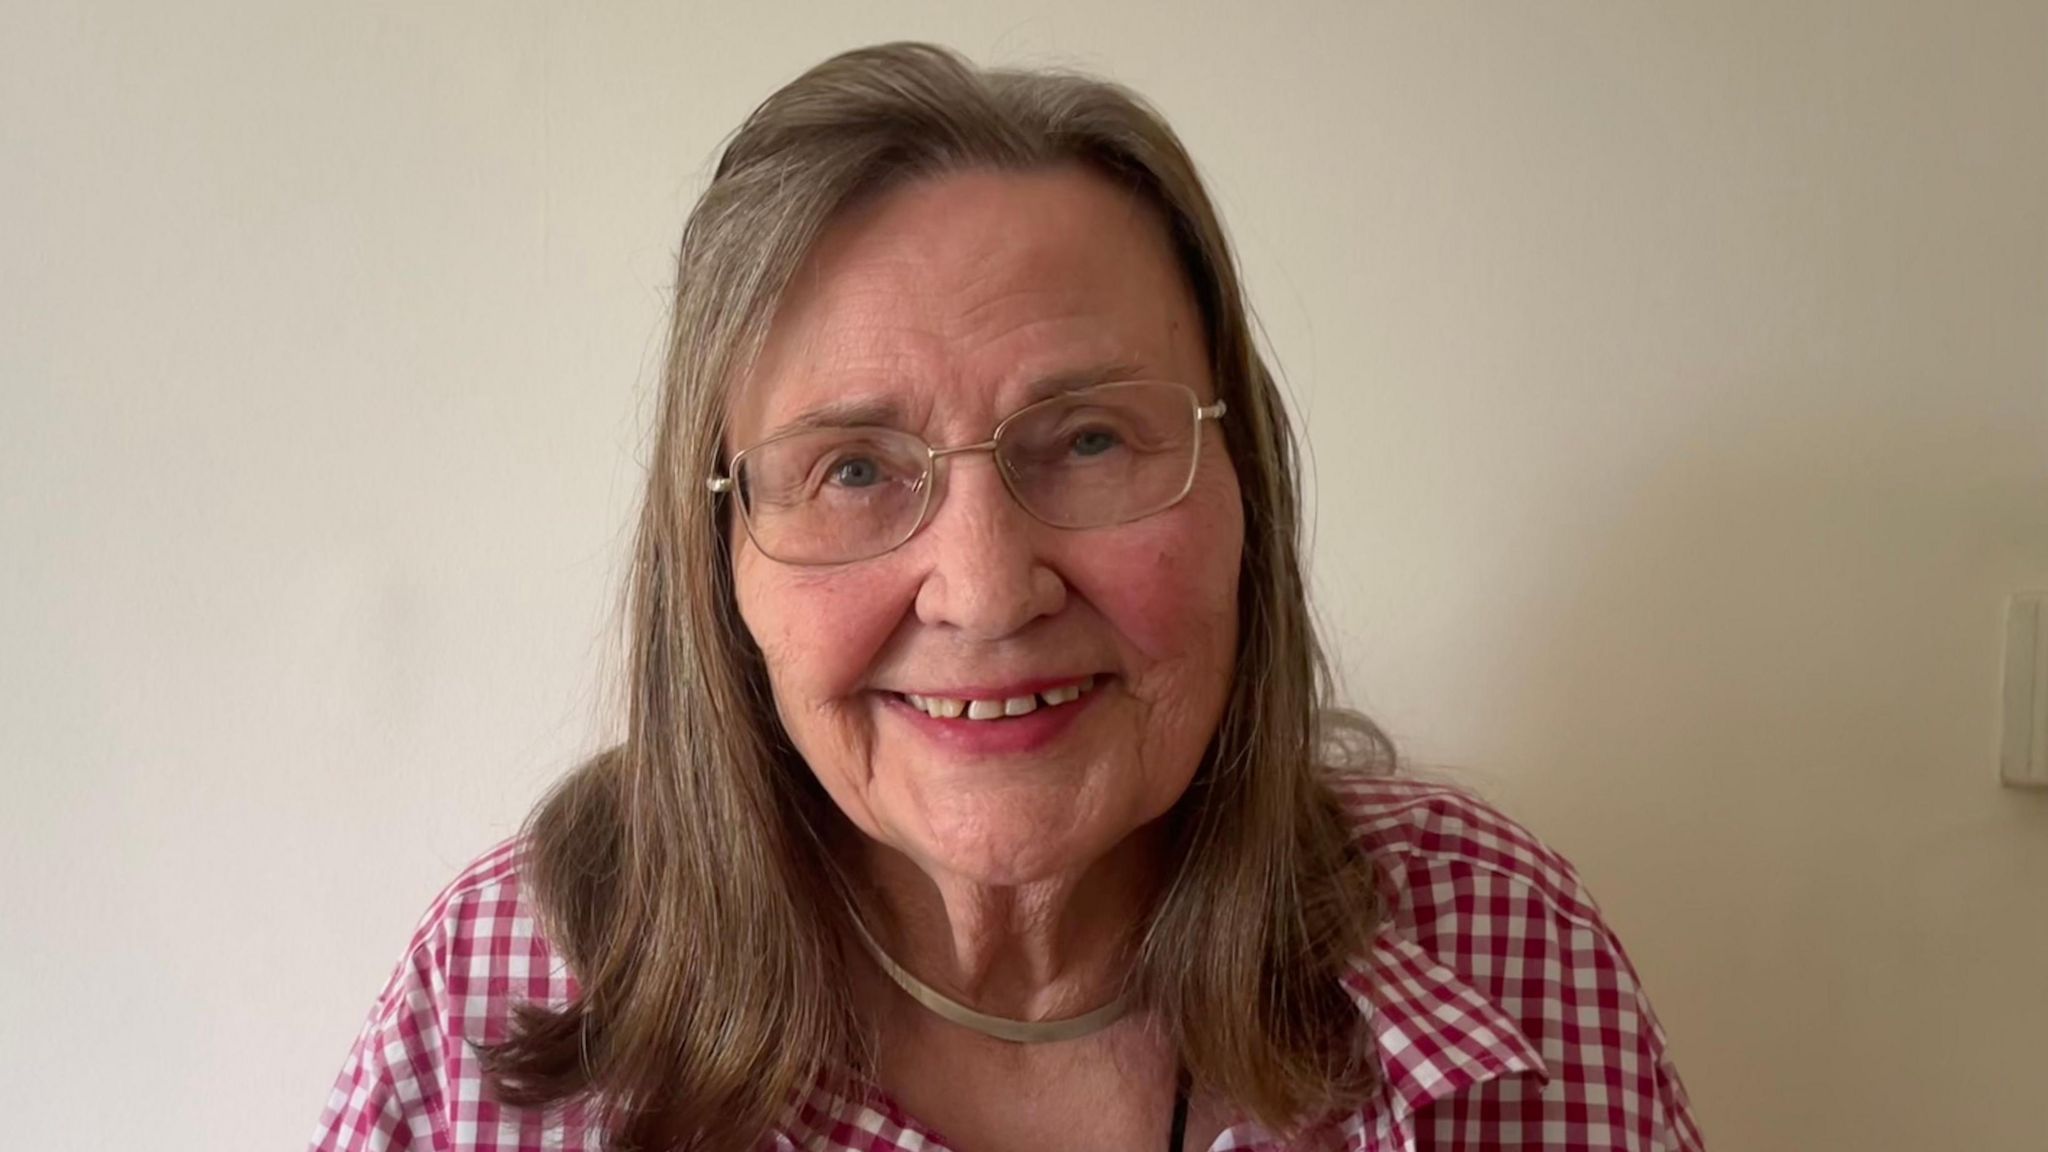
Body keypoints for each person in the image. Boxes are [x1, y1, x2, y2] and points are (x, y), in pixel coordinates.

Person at [309, 41, 1703, 1152]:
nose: (983, 591)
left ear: (1242, 492)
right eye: (852, 467)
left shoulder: (1495, 948)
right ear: (717, 553)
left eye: (1091, 440)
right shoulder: (496, 1010)